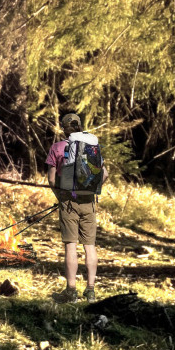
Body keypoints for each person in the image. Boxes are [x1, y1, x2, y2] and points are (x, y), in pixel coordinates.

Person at [46, 111, 108, 303]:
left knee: (71, 245)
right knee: (90, 246)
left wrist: (60, 196)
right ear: (80, 125)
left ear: (64, 128)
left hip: (68, 201)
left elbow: (50, 178)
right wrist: (92, 190)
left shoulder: (57, 147)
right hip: (88, 201)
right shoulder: (92, 146)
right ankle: (90, 290)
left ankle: (71, 291)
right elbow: (104, 174)